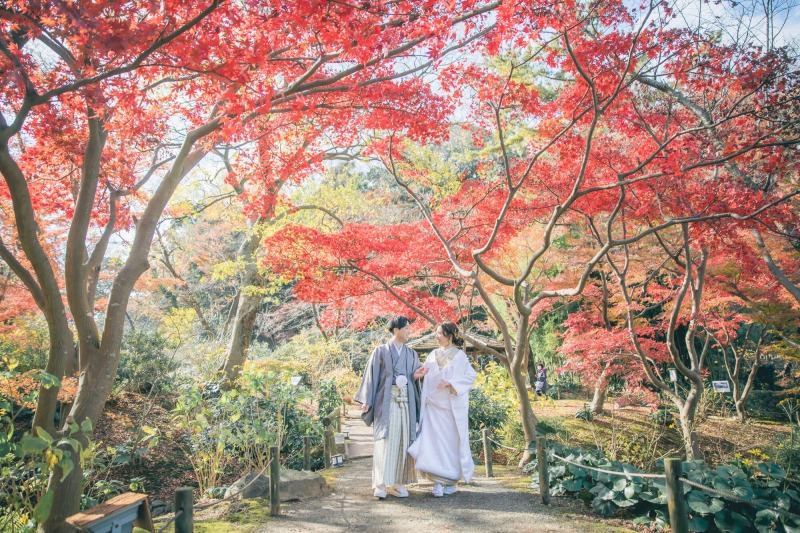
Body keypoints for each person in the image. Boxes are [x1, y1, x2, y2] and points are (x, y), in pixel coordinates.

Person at [355, 315, 429, 499]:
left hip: (406, 402)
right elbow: (371, 378)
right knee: (385, 440)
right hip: (386, 403)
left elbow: (412, 376)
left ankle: (397, 483)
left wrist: (415, 376)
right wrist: (367, 400)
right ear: (396, 329)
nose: (409, 331)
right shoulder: (380, 351)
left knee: (404, 439)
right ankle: (380, 483)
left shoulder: (411, 353)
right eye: (406, 328)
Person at [407, 322, 476, 497]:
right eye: (436, 333)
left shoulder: (459, 356)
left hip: (450, 409)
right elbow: (427, 377)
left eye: (439, 333)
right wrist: (421, 374)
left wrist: (451, 383)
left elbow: (470, 376)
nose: (436, 336)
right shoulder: (432, 354)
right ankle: (437, 482)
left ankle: (451, 481)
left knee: (450, 445)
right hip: (433, 407)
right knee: (432, 444)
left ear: (449, 336)